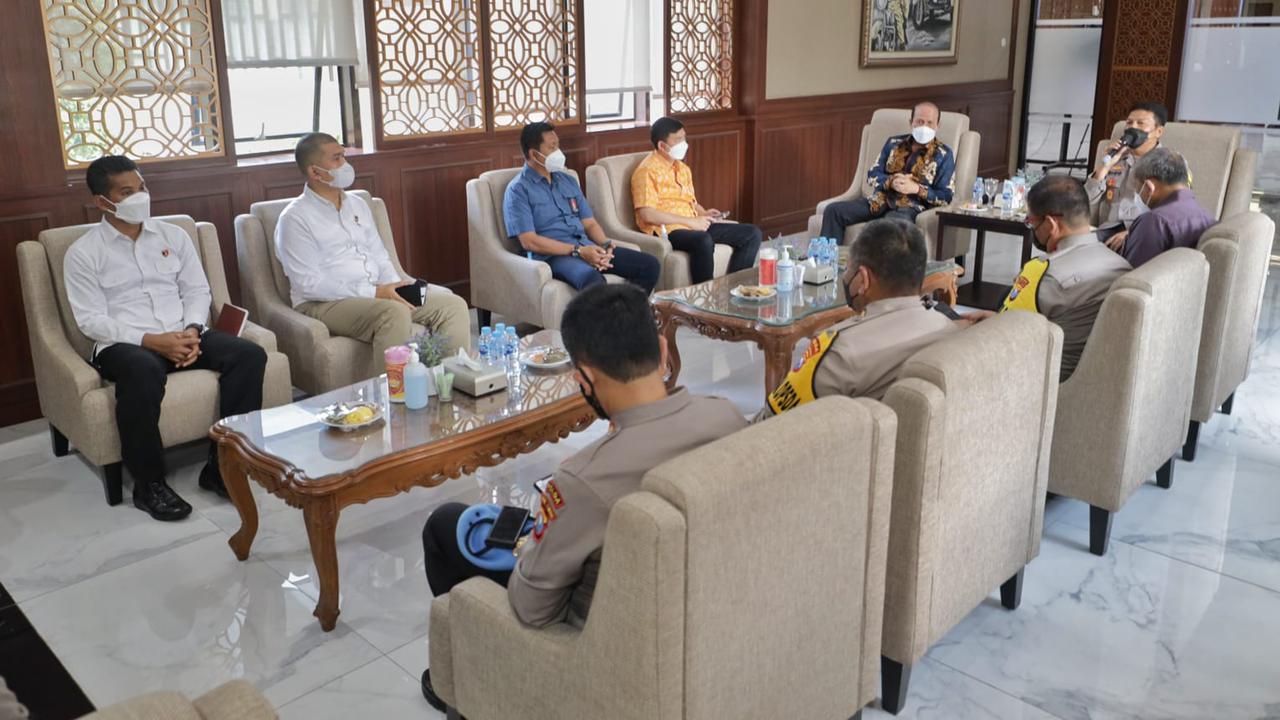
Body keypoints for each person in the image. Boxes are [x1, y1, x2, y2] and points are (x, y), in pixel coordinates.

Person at [419, 283, 745, 710]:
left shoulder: (583, 480)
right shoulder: (727, 417)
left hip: (600, 644)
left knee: (445, 525)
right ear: (664, 351)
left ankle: (467, 678)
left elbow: (531, 608)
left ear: (585, 380)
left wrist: (531, 547)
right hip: (706, 610)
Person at [63, 156, 268, 521]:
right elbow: (90, 320)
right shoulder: (83, 253)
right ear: (101, 201)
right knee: (142, 370)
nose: (140, 196)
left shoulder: (173, 236)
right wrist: (152, 341)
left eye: (141, 187)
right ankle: (149, 483)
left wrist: (192, 331)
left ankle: (223, 466)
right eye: (126, 192)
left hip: (182, 330)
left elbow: (196, 290)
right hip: (125, 344)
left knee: (249, 355)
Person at [274, 133, 470, 379]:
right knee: (393, 313)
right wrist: (376, 293)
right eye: (337, 158)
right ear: (315, 172)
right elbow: (309, 284)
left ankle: (452, 385)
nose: (345, 164)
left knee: (452, 305)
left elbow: (379, 254)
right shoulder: (294, 219)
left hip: (376, 290)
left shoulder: (358, 204)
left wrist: (394, 286)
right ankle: (394, 397)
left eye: (344, 156)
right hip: (323, 302)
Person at [756, 219, 958, 420]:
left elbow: (773, 420)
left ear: (863, 279)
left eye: (847, 270)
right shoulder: (948, 328)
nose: (845, 277)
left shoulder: (839, 350)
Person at [997, 175, 1131, 381]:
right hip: (1098, 376)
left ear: (1051, 224)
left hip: (1042, 379)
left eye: (1031, 223)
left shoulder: (1044, 273)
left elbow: (1002, 334)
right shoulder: (1122, 265)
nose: (1033, 231)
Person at [504, 122, 661, 293]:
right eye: (552, 147)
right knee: (592, 280)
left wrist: (605, 244)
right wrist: (578, 251)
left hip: (585, 245)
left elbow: (589, 223)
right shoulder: (518, 190)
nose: (558, 152)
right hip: (553, 256)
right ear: (534, 154)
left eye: (558, 146)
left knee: (649, 265)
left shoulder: (567, 180)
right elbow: (529, 241)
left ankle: (627, 310)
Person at [631, 116, 761, 283]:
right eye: (678, 140)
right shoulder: (646, 171)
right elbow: (647, 214)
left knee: (752, 234)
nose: (684, 144)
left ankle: (733, 287)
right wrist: (690, 222)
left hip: (694, 224)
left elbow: (689, 201)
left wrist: (703, 212)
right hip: (668, 230)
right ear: (662, 146)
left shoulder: (682, 168)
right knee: (703, 240)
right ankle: (705, 293)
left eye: (684, 138)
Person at [819, 101, 956, 241]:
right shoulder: (893, 143)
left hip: (909, 208)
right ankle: (828, 254)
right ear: (911, 122)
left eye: (929, 123)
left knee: (887, 228)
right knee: (833, 210)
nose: (924, 127)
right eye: (920, 122)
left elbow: (946, 196)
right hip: (878, 201)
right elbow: (872, 174)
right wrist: (891, 181)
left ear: (937, 125)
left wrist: (917, 189)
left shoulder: (944, 155)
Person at [1085, 101, 1169, 248]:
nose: (1132, 127)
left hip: (1142, 235)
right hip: (1105, 231)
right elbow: (1086, 200)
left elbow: (1172, 211)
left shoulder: (1171, 164)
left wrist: (1135, 233)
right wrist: (1104, 167)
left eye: (1140, 123)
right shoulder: (1115, 158)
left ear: (1158, 131)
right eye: (1129, 122)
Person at [1114, 147, 1215, 268]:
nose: (1138, 195)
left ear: (1149, 187)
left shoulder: (1154, 222)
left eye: (1138, 188)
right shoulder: (1207, 216)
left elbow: (1131, 275)